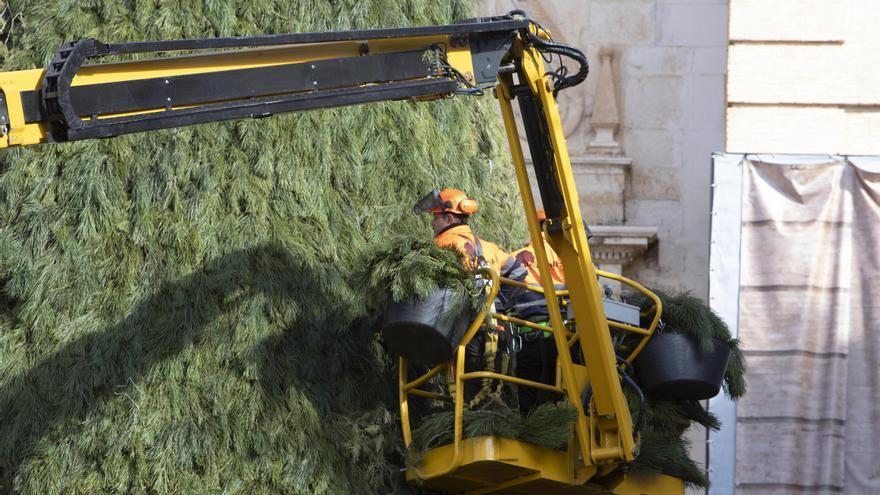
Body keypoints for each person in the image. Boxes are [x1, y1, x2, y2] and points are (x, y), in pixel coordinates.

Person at [413, 188, 527, 406]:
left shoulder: (443, 244)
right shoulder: (489, 247)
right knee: (491, 388)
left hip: (467, 332)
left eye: (435, 217)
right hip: (496, 329)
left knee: (467, 395)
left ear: (448, 217)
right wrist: (500, 305)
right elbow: (519, 273)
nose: (432, 223)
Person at [509, 208, 568, 413]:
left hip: (530, 337)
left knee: (530, 398)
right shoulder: (570, 257)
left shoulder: (515, 258)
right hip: (566, 339)